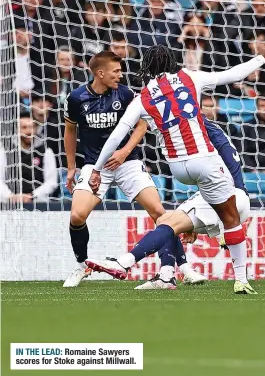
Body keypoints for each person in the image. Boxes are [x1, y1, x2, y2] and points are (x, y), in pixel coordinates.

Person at [84, 43, 265, 294]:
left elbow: (117, 135)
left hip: (177, 167)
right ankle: (241, 279)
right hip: (203, 160)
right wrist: (262, 58)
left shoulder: (142, 98)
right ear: (172, 62)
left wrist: (97, 169)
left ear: (146, 67)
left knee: (169, 219)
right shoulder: (189, 77)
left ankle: (155, 270)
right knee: (231, 216)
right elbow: (234, 75)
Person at [62, 51, 203, 288]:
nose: (120, 75)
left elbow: (142, 124)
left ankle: (183, 268)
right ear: (100, 73)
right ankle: (81, 265)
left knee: (160, 212)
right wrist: (70, 168)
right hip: (95, 166)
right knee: (77, 216)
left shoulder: (126, 94)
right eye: (116, 71)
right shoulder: (76, 98)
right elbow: (70, 130)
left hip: (128, 163)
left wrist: (125, 151)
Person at [136, 116, 250, 289]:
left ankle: (126, 262)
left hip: (227, 197)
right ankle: (172, 273)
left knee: (166, 222)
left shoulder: (199, 132)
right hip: (235, 198)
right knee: (164, 220)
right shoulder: (212, 131)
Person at [0, 112, 58, 204]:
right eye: (24, 127)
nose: (28, 131)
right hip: (9, 203)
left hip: (39, 203)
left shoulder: (46, 151)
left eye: (31, 127)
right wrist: (10, 196)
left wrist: (32, 195)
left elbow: (52, 182)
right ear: (17, 129)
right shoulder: (5, 151)